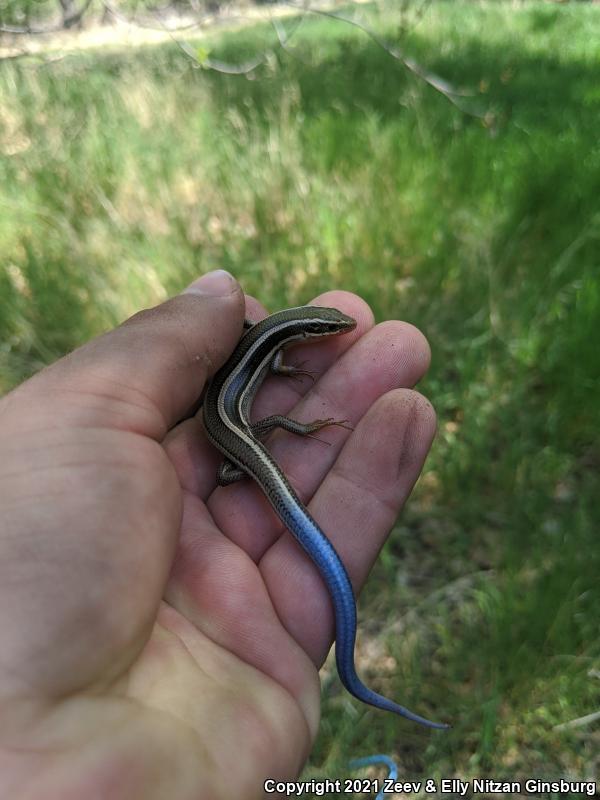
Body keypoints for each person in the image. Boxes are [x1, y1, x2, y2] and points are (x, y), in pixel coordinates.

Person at [0, 270, 436, 799]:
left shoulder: (265, 347)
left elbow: (266, 359)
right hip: (233, 441)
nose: (336, 331)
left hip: (233, 436)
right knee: (267, 434)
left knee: (262, 437)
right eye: (327, 329)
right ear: (302, 334)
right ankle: (295, 445)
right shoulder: (268, 347)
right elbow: (266, 366)